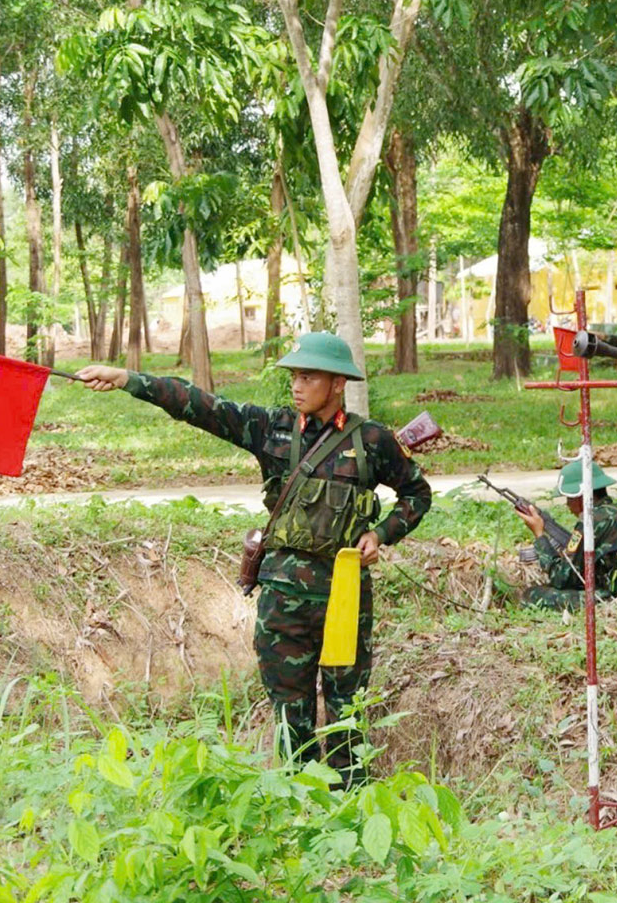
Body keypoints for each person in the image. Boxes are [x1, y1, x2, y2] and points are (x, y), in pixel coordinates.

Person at [74, 332, 431, 783]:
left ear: (338, 384)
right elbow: (202, 405)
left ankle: (352, 805)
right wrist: (129, 379)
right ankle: (298, 800)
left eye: (308, 377)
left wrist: (381, 534)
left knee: (347, 707)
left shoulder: (373, 440)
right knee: (290, 712)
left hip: (344, 594)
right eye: (294, 377)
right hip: (282, 598)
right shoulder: (273, 429)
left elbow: (416, 494)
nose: (296, 386)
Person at [518, 458, 617, 610]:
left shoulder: (591, 521)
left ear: (580, 496)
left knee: (532, 595)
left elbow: (560, 579)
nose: (567, 504)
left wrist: (539, 535)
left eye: (569, 498)